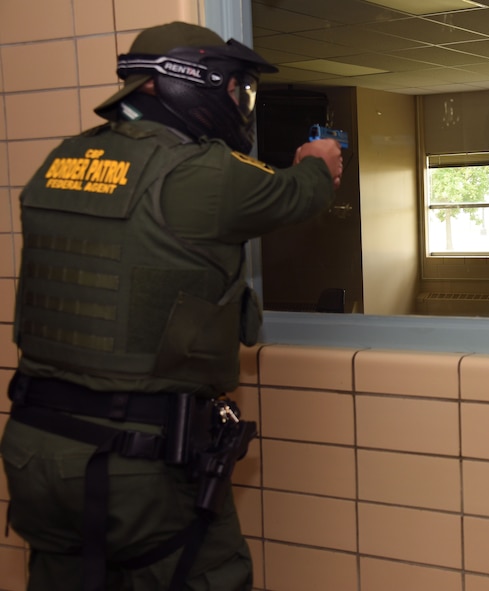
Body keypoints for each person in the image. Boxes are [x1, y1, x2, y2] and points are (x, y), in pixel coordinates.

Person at [1, 21, 343, 591]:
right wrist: (318, 160)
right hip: (138, 462)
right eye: (238, 89)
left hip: (38, 450)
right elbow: (299, 192)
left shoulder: (62, 159)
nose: (241, 103)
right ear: (193, 82)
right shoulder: (202, 171)